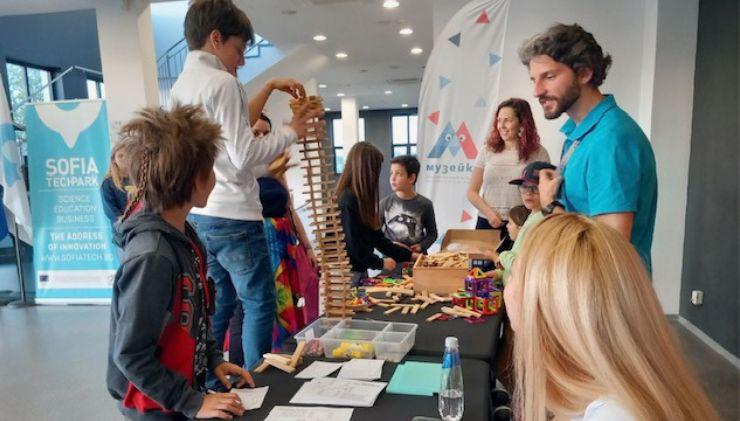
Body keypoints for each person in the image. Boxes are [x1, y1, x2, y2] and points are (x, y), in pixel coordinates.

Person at [170, 0, 324, 373]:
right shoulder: (224, 83)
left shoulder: (181, 86)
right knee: (258, 303)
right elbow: (243, 154)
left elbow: (229, 132)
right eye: (238, 50)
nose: (241, 61)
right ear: (216, 38)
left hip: (202, 214)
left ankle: (209, 376)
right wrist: (291, 132)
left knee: (219, 303)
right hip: (236, 214)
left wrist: (268, 87)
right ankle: (258, 381)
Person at [107, 105, 255, 421]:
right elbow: (130, 354)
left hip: (179, 393)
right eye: (211, 170)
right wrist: (189, 401)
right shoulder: (153, 258)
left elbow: (198, 311)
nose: (214, 178)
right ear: (195, 180)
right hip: (155, 406)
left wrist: (213, 359)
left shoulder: (186, 237)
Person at [503, 214, 718, 421]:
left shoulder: (613, 415)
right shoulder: (611, 390)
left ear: (549, 304)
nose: (507, 287)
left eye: (514, 274)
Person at [519, 23, 657, 270]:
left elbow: (609, 251)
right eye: (534, 79)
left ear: (584, 74)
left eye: (549, 77)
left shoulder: (610, 139)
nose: (537, 91)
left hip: (604, 290)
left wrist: (550, 205)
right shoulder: (579, 134)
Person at [227, 114, 317, 362]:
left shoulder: (274, 165)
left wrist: (308, 246)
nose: (261, 137)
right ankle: (250, 365)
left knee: (283, 303)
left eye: (266, 133)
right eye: (255, 133)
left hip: (282, 242)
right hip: (255, 240)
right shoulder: (240, 166)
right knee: (254, 307)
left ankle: (279, 356)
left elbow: (289, 209)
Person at [467, 98, 550, 252]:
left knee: (517, 266)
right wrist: (490, 215)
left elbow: (546, 193)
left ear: (522, 122)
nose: (502, 126)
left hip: (523, 225)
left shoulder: (539, 153)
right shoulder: (487, 151)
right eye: (499, 120)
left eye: (508, 120)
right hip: (488, 223)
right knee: (483, 267)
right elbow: (472, 192)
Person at [337, 142, 416, 285]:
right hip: (346, 275)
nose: (377, 177)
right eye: (375, 170)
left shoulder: (360, 199)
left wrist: (410, 255)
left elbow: (378, 239)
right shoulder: (347, 200)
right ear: (365, 170)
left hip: (358, 270)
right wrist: (380, 263)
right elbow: (353, 246)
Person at [490, 161, 556, 284]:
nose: (528, 193)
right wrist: (500, 274)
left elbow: (521, 268)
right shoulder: (533, 216)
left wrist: (503, 256)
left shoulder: (540, 222)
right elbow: (518, 256)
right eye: (524, 187)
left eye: (535, 188)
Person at [380, 155, 438, 254]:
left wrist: (421, 246)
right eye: (391, 173)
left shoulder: (426, 204)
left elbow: (432, 234)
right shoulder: (384, 204)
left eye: (398, 173)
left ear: (411, 178)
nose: (392, 178)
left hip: (416, 257)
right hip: (391, 257)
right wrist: (391, 245)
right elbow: (375, 235)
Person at [100, 141, 134, 231]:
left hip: (142, 227)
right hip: (122, 230)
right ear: (114, 159)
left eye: (128, 155)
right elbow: (110, 211)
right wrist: (127, 223)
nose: (124, 159)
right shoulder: (107, 183)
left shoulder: (140, 179)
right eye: (120, 156)